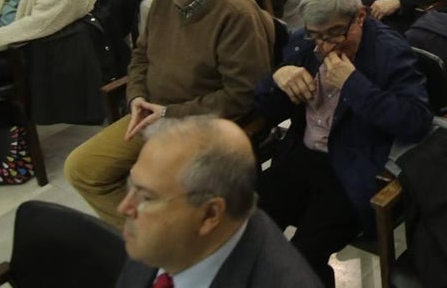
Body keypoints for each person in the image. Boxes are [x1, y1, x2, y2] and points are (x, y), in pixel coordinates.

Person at [66, 0, 274, 227]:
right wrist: (136, 96)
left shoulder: (236, 13)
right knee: (82, 169)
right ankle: (156, 242)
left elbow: (241, 96)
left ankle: (174, 244)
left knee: (162, 189)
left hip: (204, 125)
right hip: (152, 112)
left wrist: (168, 114)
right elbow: (141, 54)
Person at [255, 0, 432, 286]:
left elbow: (415, 121)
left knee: (301, 258)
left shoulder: (389, 52)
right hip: (300, 157)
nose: (324, 46)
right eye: (316, 35)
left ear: (360, 16)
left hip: (352, 170)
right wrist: (278, 78)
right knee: (248, 233)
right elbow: (267, 108)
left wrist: (354, 84)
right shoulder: (304, 43)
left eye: (335, 33)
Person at [114, 116, 323, 288]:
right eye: (132, 185)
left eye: (147, 198)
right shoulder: (158, 241)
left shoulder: (284, 280)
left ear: (209, 215)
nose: (124, 207)